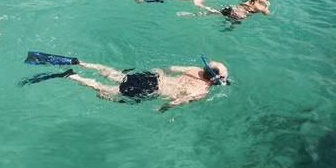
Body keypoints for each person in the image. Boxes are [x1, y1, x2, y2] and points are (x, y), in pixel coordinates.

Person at [27, 57, 229, 111]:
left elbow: (170, 68)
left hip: (152, 77)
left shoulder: (193, 69)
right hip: (151, 89)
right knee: (106, 90)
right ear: (214, 78)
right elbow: (177, 102)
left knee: (115, 75)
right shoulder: (202, 90)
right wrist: (162, 108)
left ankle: (80, 63)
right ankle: (73, 76)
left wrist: (159, 73)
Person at [179, 0, 271, 21]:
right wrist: (267, 6)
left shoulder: (248, 0)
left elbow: (241, 3)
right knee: (230, 26)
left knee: (213, 12)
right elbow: (267, 14)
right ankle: (189, 14)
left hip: (230, 9)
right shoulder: (260, 7)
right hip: (237, 16)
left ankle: (190, 14)